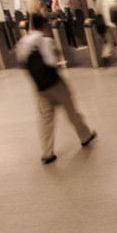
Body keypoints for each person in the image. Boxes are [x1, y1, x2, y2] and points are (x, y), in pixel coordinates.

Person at [15, 13, 96, 164]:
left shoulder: (23, 42)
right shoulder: (44, 40)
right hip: (55, 84)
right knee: (71, 111)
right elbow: (51, 62)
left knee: (45, 119)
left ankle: (47, 152)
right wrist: (57, 56)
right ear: (44, 25)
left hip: (39, 88)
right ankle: (84, 136)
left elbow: (22, 63)